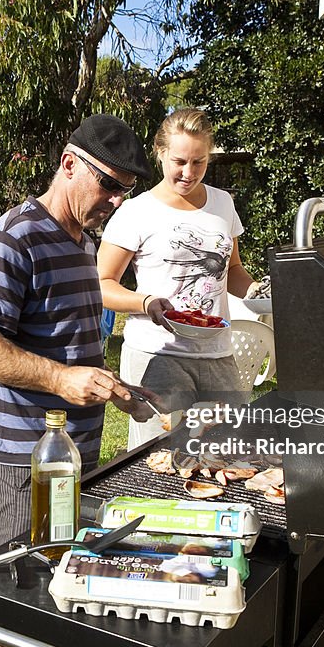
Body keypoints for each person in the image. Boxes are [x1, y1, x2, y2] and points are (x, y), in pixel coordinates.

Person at [0, 114, 157, 647]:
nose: (114, 202)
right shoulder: (16, 237)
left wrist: (118, 389)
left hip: (67, 451)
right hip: (24, 455)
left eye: (124, 193)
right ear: (68, 164)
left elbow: (65, 340)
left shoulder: (82, 240)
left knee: (46, 583)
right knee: (6, 596)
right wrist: (61, 379)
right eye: (108, 185)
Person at [97, 107, 261, 450]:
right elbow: (101, 284)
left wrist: (259, 292)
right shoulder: (135, 211)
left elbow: (231, 271)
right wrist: (145, 302)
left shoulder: (223, 204)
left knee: (228, 452)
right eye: (179, 162)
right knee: (163, 457)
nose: (189, 173)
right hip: (158, 354)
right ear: (161, 154)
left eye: (199, 162)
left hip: (218, 355)